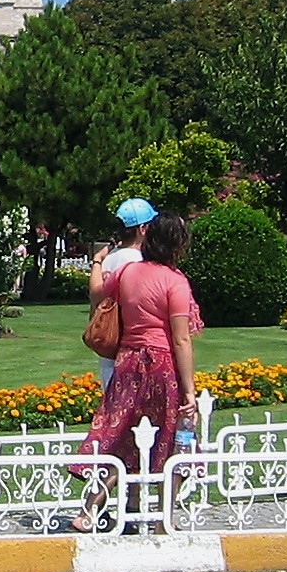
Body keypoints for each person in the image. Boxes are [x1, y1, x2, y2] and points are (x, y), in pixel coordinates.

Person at [74, 210, 201, 532]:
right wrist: (189, 390)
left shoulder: (128, 272)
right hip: (162, 365)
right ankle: (165, 518)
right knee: (173, 438)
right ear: (178, 244)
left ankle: (89, 510)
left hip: (128, 361)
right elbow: (181, 339)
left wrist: (98, 262)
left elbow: (97, 292)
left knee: (119, 435)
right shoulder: (176, 282)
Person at [89, 199, 156, 391]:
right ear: (143, 229)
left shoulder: (109, 258)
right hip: (132, 349)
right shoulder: (138, 260)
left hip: (108, 344)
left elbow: (95, 299)